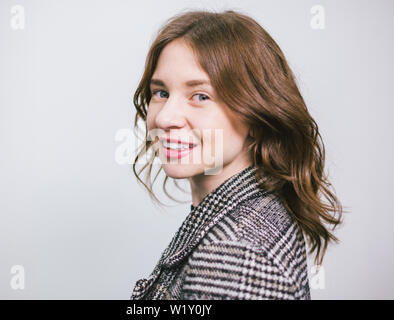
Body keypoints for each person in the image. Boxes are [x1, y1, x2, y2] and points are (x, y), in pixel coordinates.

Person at [130, 9, 344, 300]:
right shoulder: (242, 215)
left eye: (200, 96)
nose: (166, 118)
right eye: (161, 93)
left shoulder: (235, 254)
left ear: (256, 117)